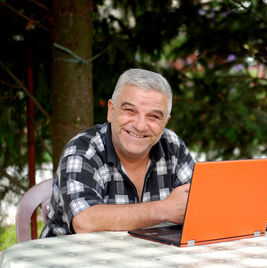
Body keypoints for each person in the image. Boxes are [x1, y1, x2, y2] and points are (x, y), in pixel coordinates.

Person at [40, 68, 196, 237]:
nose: (140, 125)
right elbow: (85, 221)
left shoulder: (172, 145)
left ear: (165, 122)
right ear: (111, 110)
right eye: (130, 110)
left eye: (154, 117)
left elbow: (201, 203)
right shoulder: (83, 149)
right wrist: (165, 209)